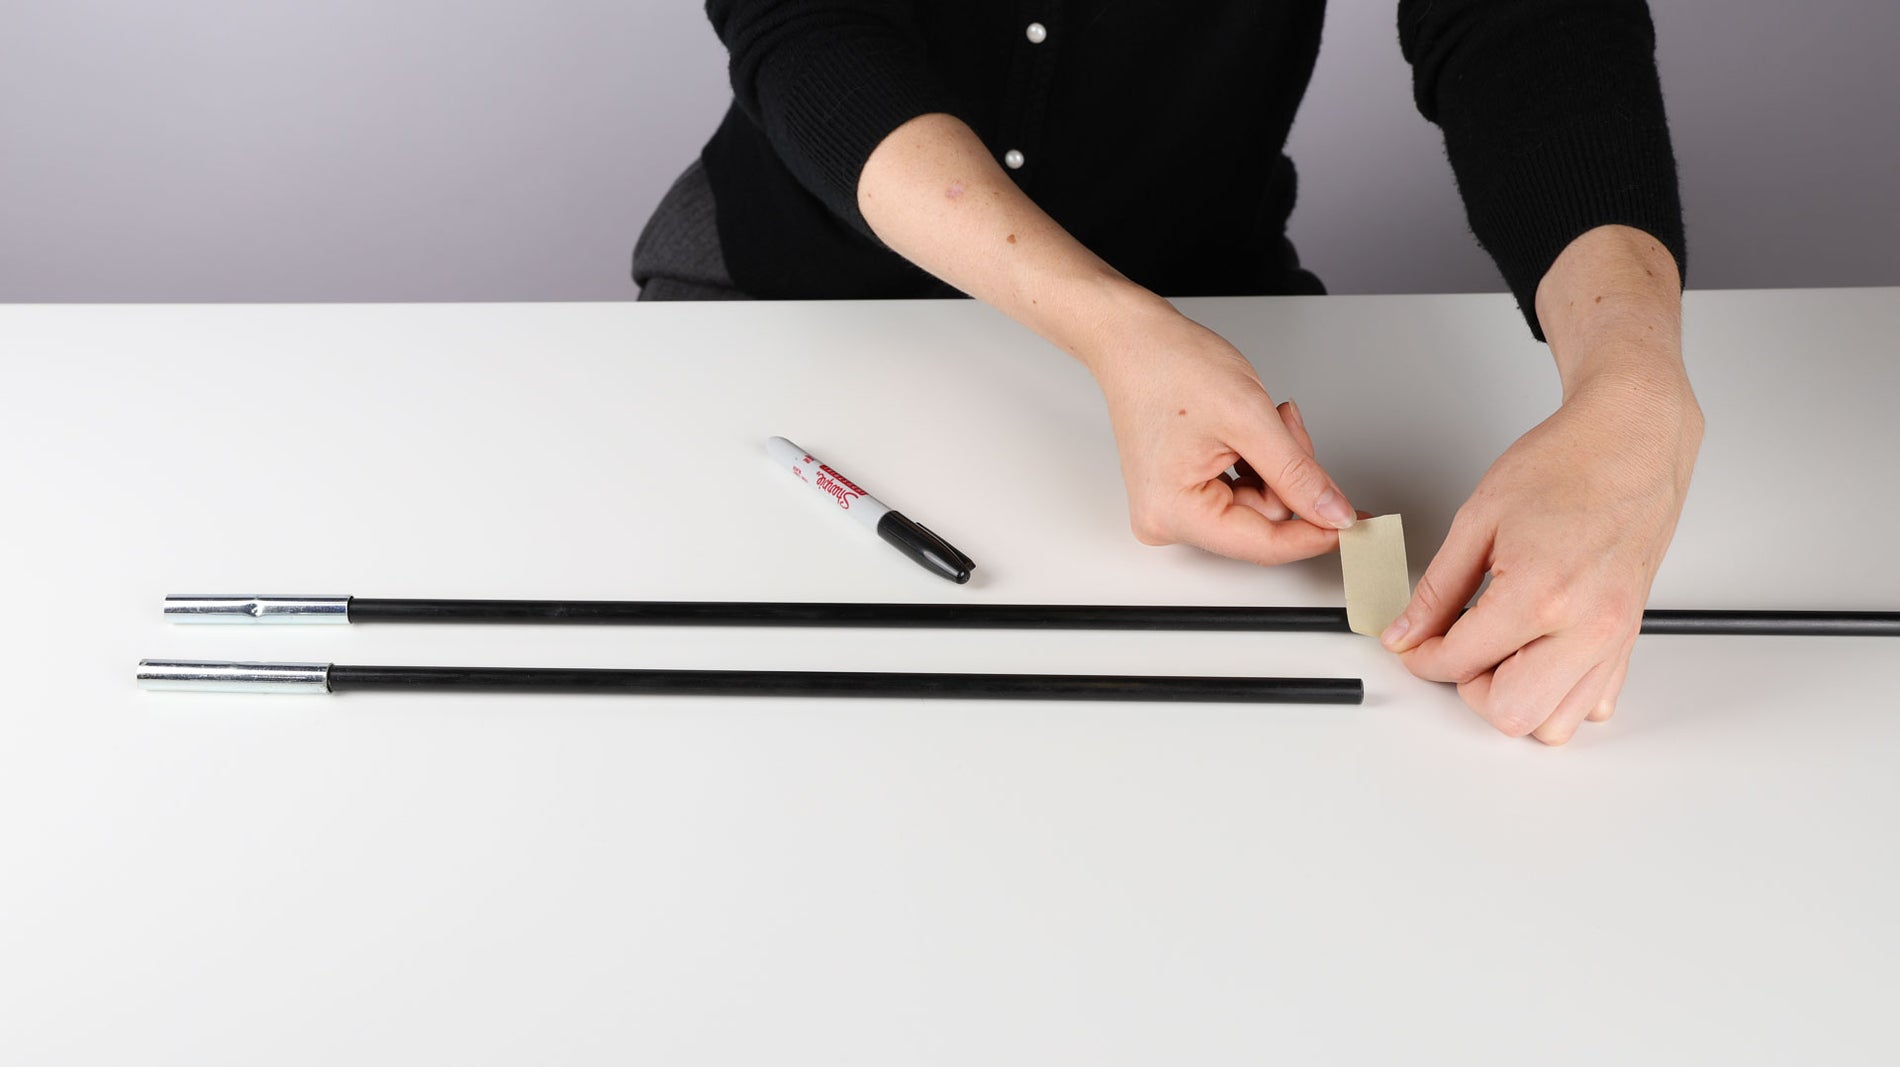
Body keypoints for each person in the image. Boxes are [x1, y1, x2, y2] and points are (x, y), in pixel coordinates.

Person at [635, 1, 1704, 746]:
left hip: (1212, 310)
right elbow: (807, 24)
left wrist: (1635, 388)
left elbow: (1528, 21)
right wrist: (1111, 330)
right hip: (791, 298)